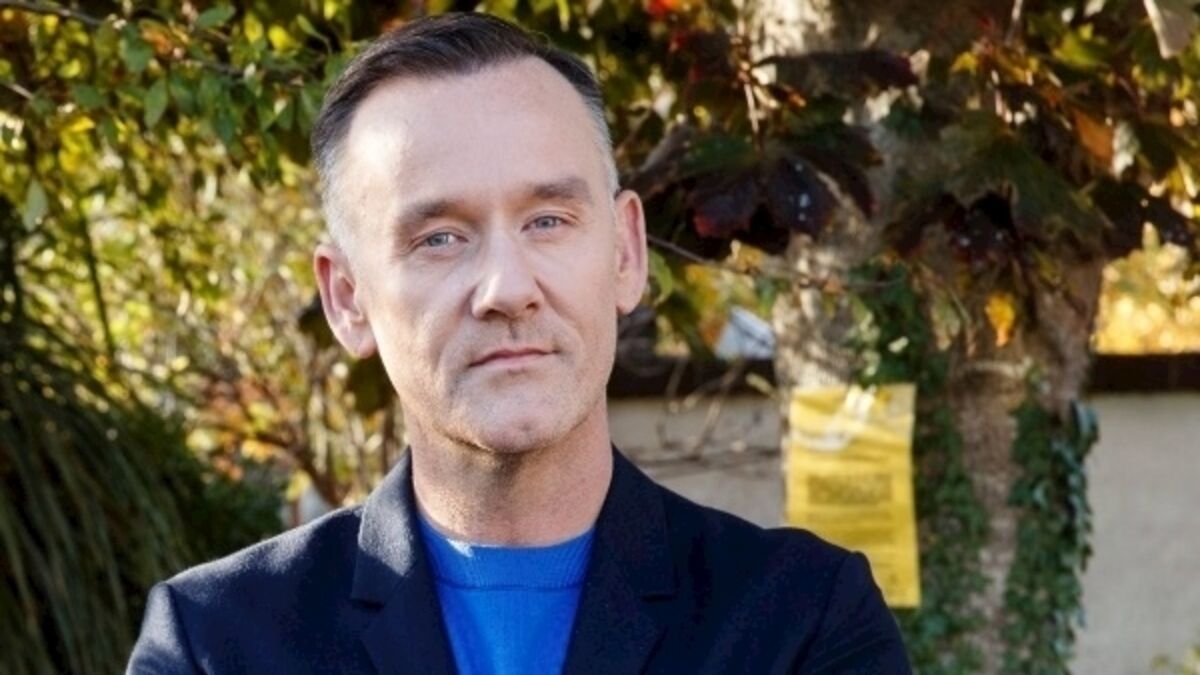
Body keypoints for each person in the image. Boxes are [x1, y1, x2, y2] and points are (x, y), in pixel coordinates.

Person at [127, 12, 910, 674]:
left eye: (547, 221)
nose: (506, 287)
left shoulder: (803, 621)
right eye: (439, 237)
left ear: (626, 253)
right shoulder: (215, 641)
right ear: (347, 298)